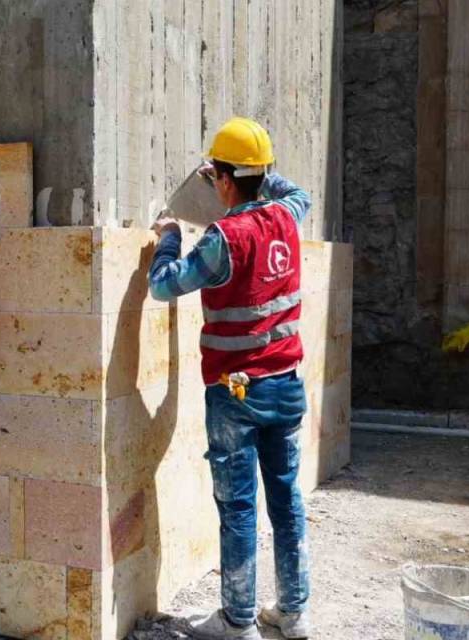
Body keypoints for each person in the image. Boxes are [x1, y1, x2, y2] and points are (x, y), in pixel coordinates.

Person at [149, 117, 312, 640]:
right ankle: (293, 613)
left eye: (217, 177)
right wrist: (253, 169)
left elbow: (164, 285)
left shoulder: (225, 237)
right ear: (263, 173)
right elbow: (293, 189)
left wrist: (169, 239)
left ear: (222, 180)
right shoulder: (289, 215)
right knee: (286, 501)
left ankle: (238, 621)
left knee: (239, 507)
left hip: (236, 393)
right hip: (286, 383)